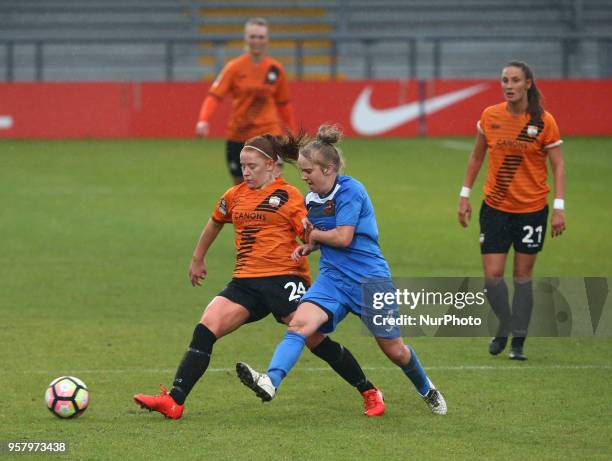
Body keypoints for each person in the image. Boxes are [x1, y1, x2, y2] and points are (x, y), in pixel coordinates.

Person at [133, 133, 385, 419]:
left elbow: (311, 232)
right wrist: (197, 257)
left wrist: (312, 246)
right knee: (206, 327)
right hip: (245, 282)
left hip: (284, 278)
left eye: (252, 166)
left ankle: (369, 391)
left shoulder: (289, 196)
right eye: (242, 165)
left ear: (270, 164)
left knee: (314, 339)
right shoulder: (235, 195)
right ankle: (174, 401)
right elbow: (215, 223)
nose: (245, 171)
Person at [235, 125, 447, 415]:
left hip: (370, 280)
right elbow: (324, 238)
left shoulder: (351, 190)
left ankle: (426, 388)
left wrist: (314, 237)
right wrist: (308, 247)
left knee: (395, 350)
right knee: (300, 325)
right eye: (302, 172)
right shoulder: (311, 200)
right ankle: (271, 380)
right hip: (332, 279)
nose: (304, 177)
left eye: (309, 171)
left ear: (329, 168)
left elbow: (343, 237)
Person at [457, 61, 566, 360]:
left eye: (515, 80)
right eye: (504, 79)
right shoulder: (490, 116)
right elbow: (477, 157)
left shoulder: (544, 122)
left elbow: (557, 165)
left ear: (528, 84)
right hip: (494, 208)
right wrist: (464, 195)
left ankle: (518, 342)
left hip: (531, 210)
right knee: (493, 277)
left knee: (522, 276)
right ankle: (505, 323)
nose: (508, 85)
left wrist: (559, 207)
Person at [195, 17, 297, 184]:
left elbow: (284, 103)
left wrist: (291, 132)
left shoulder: (275, 69)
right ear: (246, 38)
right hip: (239, 135)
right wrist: (203, 120)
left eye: (261, 37)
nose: (256, 41)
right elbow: (214, 96)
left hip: (269, 135)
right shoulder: (234, 67)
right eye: (253, 36)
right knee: (242, 188)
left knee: (272, 186)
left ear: (267, 40)